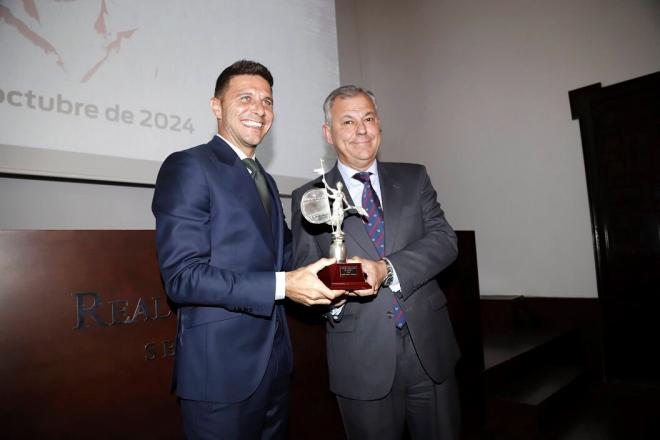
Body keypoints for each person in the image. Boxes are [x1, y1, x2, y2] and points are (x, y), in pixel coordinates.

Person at [152, 60, 343, 440]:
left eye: (268, 101)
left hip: (274, 366)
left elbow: (285, 260)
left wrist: (335, 276)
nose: (259, 109)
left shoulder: (266, 180)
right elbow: (183, 278)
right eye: (246, 98)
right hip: (220, 375)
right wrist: (282, 286)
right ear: (216, 107)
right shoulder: (189, 166)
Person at [292, 85, 461, 440]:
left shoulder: (414, 178)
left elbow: (445, 241)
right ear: (328, 133)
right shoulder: (310, 197)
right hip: (360, 359)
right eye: (348, 121)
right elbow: (305, 272)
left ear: (379, 123)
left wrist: (387, 269)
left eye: (368, 118)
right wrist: (333, 299)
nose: (362, 130)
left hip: (428, 350)